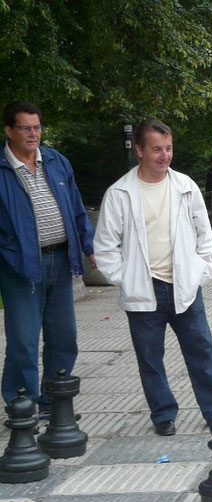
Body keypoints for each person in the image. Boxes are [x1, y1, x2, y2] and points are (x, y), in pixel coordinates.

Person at [94, 119, 212, 436]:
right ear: (139, 150)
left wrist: (200, 270)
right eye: (157, 149)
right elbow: (105, 246)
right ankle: (163, 414)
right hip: (144, 290)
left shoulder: (185, 187)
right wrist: (126, 278)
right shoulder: (120, 194)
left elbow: (203, 235)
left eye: (168, 148)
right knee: (150, 359)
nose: (164, 155)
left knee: (202, 351)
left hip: (185, 287)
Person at [0, 101, 95, 414]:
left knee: (64, 336)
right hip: (20, 267)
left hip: (60, 260)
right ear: (9, 131)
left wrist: (88, 244)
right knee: (24, 340)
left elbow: (77, 208)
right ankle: (22, 405)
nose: (33, 134)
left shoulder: (55, 161)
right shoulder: (2, 169)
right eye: (25, 128)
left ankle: (55, 400)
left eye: (37, 127)